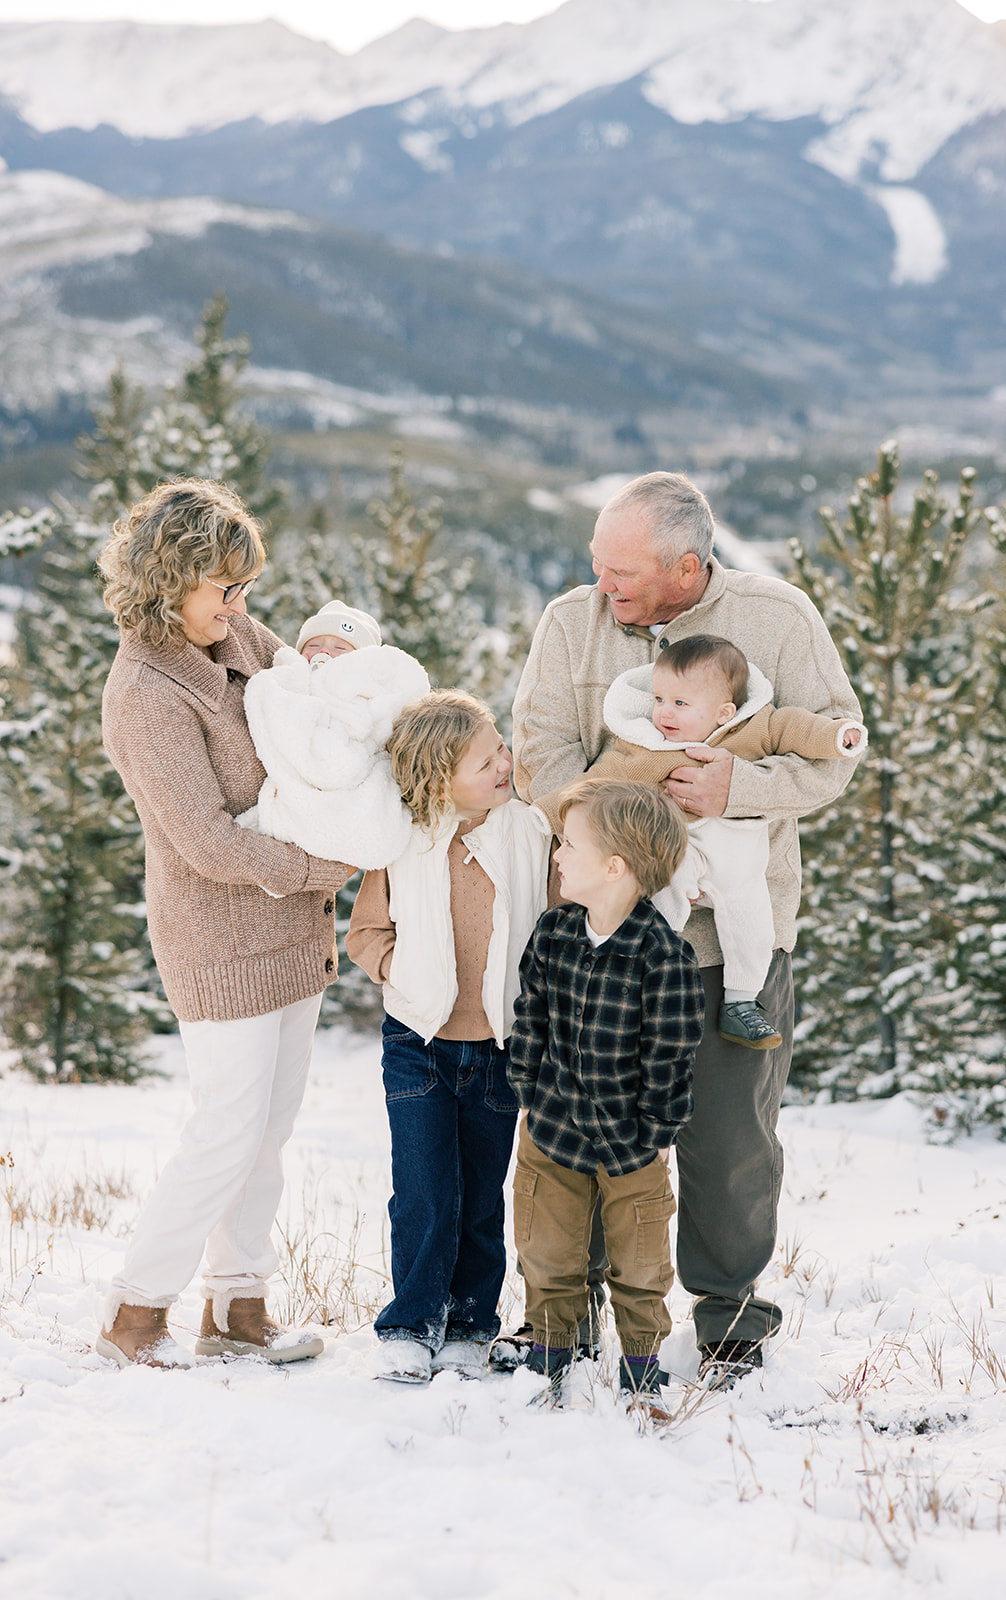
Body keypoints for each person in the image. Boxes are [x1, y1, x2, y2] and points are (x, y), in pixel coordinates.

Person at [511, 470, 865, 1388]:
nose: (601, 586)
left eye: (621, 571)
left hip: (733, 944)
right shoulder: (569, 625)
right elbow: (539, 755)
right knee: (583, 1121)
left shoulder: (780, 617)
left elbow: (831, 750)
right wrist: (619, 830)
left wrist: (739, 789)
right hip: (604, 939)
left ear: (688, 567)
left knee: (730, 1137)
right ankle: (566, 1307)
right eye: (596, 563)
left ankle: (730, 1317)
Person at [96, 478, 354, 1369]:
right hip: (218, 937)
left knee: (269, 1129)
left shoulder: (233, 632)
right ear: (169, 581)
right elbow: (204, 839)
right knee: (225, 1129)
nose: (242, 606)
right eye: (225, 589)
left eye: (245, 588)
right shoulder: (144, 691)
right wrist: (326, 865)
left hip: (289, 929)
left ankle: (239, 1308)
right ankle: (135, 1314)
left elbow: (312, 707)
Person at [346, 690, 552, 1384]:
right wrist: (404, 973)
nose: (505, 762)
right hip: (418, 1043)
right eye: (486, 758)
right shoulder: (402, 842)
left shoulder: (528, 831)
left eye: (501, 749)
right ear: (438, 778)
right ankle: (410, 1323)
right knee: (425, 1187)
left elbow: (558, 915)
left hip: (500, 1050)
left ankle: (469, 1324)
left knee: (482, 1190)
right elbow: (366, 934)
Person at [534, 634, 866, 1051]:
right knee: (660, 897)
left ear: (724, 711)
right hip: (679, 850)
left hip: (738, 859)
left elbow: (796, 728)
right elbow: (592, 785)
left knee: (753, 923)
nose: (663, 713)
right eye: (658, 699)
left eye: (680, 704)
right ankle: (648, 978)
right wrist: (542, 816)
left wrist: (838, 735)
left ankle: (742, 1004)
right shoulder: (646, 748)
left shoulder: (753, 727)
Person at [508, 780, 705, 1406]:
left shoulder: (663, 955)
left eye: (569, 844)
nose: (558, 855)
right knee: (545, 1249)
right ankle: (547, 1358)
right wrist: (530, 1089)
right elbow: (530, 1017)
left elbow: (670, 1054)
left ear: (615, 866)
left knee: (642, 1262)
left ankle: (642, 1369)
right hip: (552, 1129)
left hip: (632, 1144)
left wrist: (654, 1133)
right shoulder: (553, 932)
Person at [237, 598, 430, 869]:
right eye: (313, 645)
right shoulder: (293, 679)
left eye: (340, 648)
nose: (324, 653)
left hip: (350, 766)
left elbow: (376, 727)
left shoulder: (364, 692)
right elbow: (279, 710)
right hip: (305, 765)